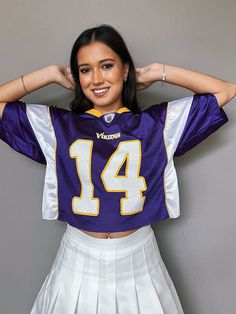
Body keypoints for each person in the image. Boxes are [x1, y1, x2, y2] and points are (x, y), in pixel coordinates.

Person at [0, 24, 235, 314]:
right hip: (77, 259)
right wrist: (48, 74)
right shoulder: (58, 126)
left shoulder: (158, 124)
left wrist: (157, 72)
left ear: (125, 70)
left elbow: (226, 90)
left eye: (107, 66)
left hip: (138, 259)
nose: (96, 78)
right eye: (85, 70)